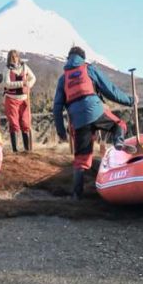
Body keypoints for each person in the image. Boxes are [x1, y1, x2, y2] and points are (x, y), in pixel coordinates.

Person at [53, 46, 135, 199]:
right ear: (83, 58)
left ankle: (77, 196)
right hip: (96, 110)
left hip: (78, 121)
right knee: (119, 124)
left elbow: (57, 107)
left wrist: (61, 131)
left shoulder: (63, 78)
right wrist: (130, 101)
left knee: (81, 160)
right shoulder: (89, 69)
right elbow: (110, 90)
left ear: (68, 58)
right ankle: (118, 142)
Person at [2, 50, 37, 152]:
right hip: (11, 99)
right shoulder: (7, 69)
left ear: (18, 57)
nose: (14, 58)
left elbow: (33, 78)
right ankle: (15, 150)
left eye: (16, 56)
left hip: (24, 99)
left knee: (25, 123)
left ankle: (27, 150)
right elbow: (7, 84)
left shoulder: (24, 67)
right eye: (12, 57)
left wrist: (29, 85)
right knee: (14, 124)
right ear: (9, 58)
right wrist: (22, 83)